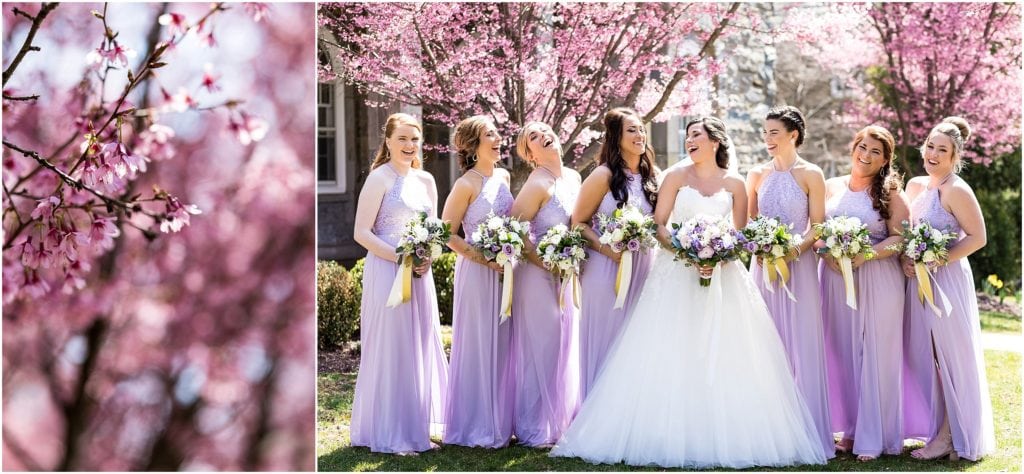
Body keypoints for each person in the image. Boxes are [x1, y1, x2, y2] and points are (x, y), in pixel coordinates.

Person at [550, 118, 827, 469]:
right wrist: (689, 253)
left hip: (725, 278)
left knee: (727, 354)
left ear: (715, 141)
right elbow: (659, 225)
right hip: (675, 273)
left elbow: (741, 234)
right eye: (688, 135)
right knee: (670, 349)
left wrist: (719, 253)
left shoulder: (736, 183)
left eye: (696, 134)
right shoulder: (675, 177)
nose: (689, 140)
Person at [350, 113, 448, 455]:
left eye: (414, 139)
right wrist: (401, 257)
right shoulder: (379, 179)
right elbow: (361, 233)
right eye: (402, 139)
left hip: (420, 274)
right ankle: (392, 433)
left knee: (418, 344)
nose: (409, 145)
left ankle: (415, 426)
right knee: (393, 346)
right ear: (388, 141)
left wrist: (427, 257)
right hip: (388, 270)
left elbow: (435, 229)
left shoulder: (427, 181)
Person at [902, 117, 995, 462]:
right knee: (926, 355)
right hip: (917, 280)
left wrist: (936, 261)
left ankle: (950, 436)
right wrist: (907, 262)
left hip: (947, 282)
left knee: (949, 357)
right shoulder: (914, 187)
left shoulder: (957, 190)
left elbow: (978, 237)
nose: (933, 154)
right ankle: (941, 427)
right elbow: (906, 235)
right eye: (930, 146)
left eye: (943, 150)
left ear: (956, 157)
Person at [745, 105, 835, 458]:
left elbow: (819, 226)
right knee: (765, 343)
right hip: (764, 267)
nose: (767, 138)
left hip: (800, 269)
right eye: (765, 132)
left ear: (793, 135)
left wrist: (793, 250)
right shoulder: (756, 174)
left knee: (803, 343)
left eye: (774, 133)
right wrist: (763, 247)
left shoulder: (812, 174)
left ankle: (810, 430)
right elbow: (750, 224)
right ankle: (766, 430)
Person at [819, 126, 909, 461]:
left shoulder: (891, 193)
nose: (865, 155)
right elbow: (816, 229)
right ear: (852, 146)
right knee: (843, 353)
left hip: (878, 277)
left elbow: (900, 237)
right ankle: (852, 430)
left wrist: (867, 254)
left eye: (875, 152)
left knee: (876, 353)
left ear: (885, 159)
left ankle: (877, 435)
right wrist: (826, 252)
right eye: (862, 147)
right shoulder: (830, 186)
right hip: (834, 279)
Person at [570, 108, 659, 400]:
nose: (640, 135)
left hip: (644, 269)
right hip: (606, 269)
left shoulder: (652, 177)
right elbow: (578, 223)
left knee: (637, 343)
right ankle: (593, 415)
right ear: (617, 137)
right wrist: (608, 250)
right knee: (606, 340)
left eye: (641, 129)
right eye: (632, 130)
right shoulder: (603, 175)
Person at [441, 116, 515, 448]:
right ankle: (474, 425)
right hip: (476, 271)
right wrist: (484, 259)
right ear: (473, 146)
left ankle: (500, 420)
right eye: (490, 135)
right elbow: (447, 234)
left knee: (502, 342)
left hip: (506, 273)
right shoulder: (466, 184)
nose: (498, 139)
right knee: (478, 340)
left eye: (497, 133)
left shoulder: (503, 176)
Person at [509, 121, 582, 447]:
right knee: (544, 346)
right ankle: (534, 427)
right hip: (537, 274)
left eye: (544, 130)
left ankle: (563, 421)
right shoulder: (536, 183)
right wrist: (545, 261)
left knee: (567, 344)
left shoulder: (574, 178)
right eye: (533, 138)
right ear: (530, 154)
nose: (543, 136)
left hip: (567, 273)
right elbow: (516, 229)